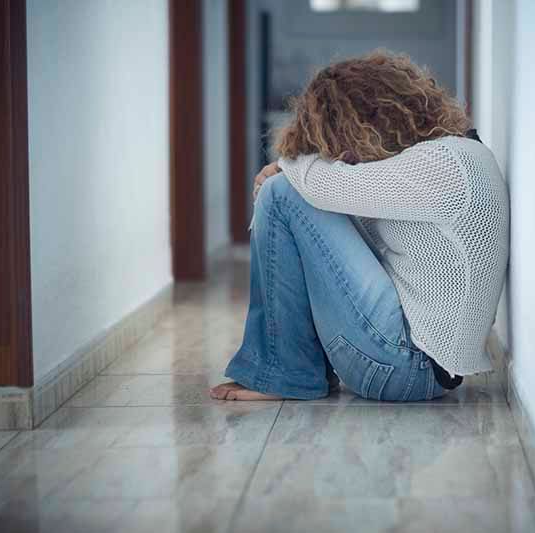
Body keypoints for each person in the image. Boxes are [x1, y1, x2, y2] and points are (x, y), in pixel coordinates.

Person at [210, 50, 509, 401]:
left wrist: (284, 166)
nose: (341, 156)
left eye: (336, 141)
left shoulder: (445, 163)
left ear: (363, 124)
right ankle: (294, 368)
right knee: (293, 192)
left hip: (405, 368)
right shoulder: (448, 155)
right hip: (413, 363)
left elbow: (320, 186)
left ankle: (284, 374)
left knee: (281, 194)